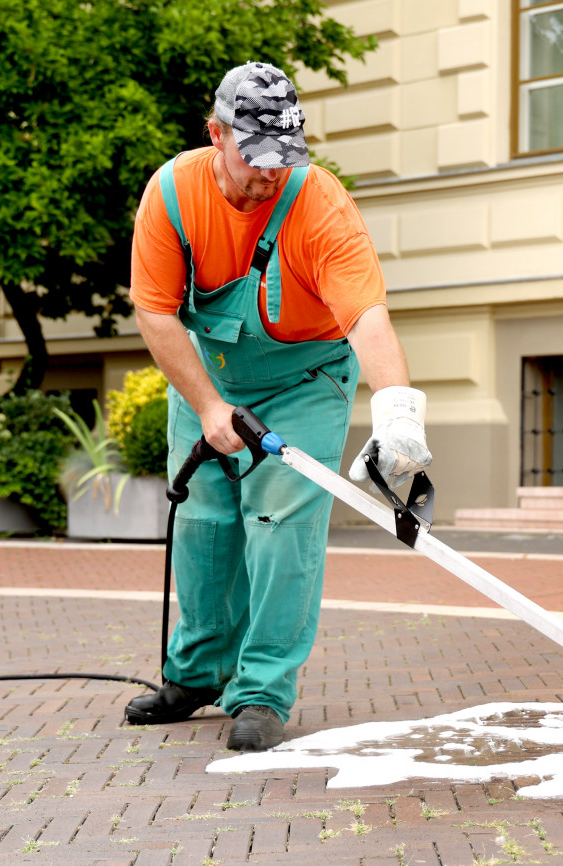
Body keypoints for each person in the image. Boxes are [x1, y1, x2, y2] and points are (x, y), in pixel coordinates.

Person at [123, 61, 432, 752]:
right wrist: (207, 406)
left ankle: (261, 692)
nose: (268, 176)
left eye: (282, 160)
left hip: (305, 377)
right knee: (202, 520)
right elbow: (157, 315)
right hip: (207, 374)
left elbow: (366, 316)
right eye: (254, 159)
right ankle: (197, 673)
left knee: (279, 525)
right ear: (216, 136)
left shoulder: (319, 203)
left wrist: (398, 415)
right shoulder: (171, 195)